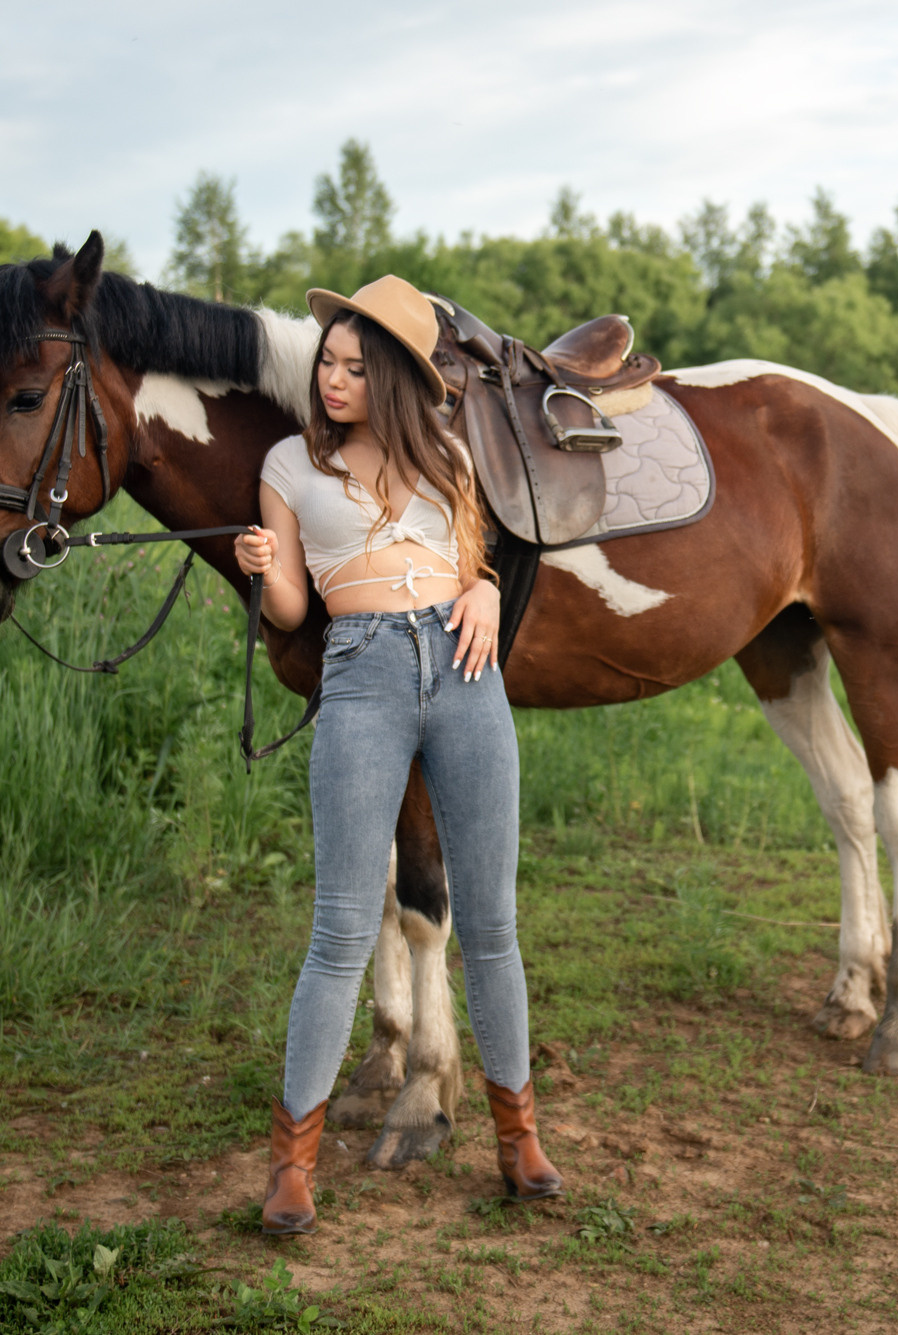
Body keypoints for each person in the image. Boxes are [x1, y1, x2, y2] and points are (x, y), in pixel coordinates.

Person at [234, 275, 562, 1235]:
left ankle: (518, 1137)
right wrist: (266, 569)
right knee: (340, 927)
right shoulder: (290, 466)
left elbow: (475, 569)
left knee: (492, 924)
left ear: (390, 378)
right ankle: (293, 1162)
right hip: (363, 672)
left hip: (464, 677)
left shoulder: (451, 460)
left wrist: (492, 593)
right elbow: (297, 611)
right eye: (325, 364)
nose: (330, 379)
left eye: (349, 366)